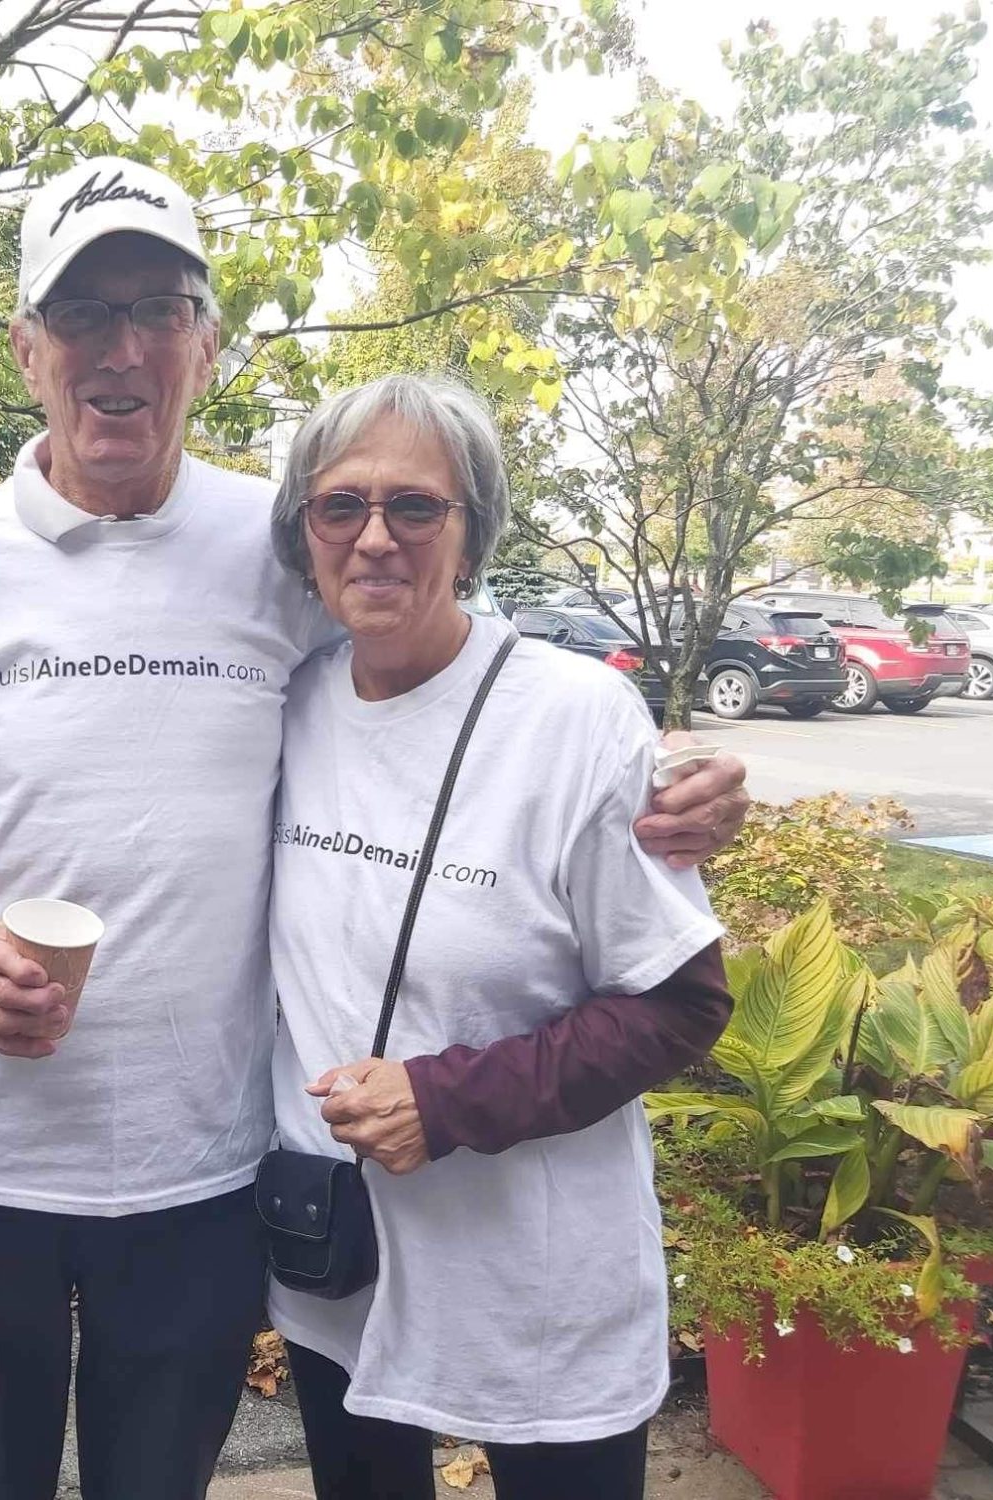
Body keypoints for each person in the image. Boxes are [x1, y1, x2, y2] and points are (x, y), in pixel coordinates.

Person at [0, 156, 750, 1500]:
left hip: (204, 1175)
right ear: (27, 347)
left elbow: (447, 670)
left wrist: (665, 772)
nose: (122, 348)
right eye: (84, 313)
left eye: (158, 308)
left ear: (206, 347)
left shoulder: (276, 549)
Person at [264, 372, 732, 1499]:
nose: (374, 538)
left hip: (535, 1292)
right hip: (346, 1276)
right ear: (306, 533)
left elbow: (681, 1004)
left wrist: (445, 1098)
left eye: (414, 507)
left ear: (470, 532)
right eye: (341, 506)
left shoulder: (573, 719)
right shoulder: (289, 702)